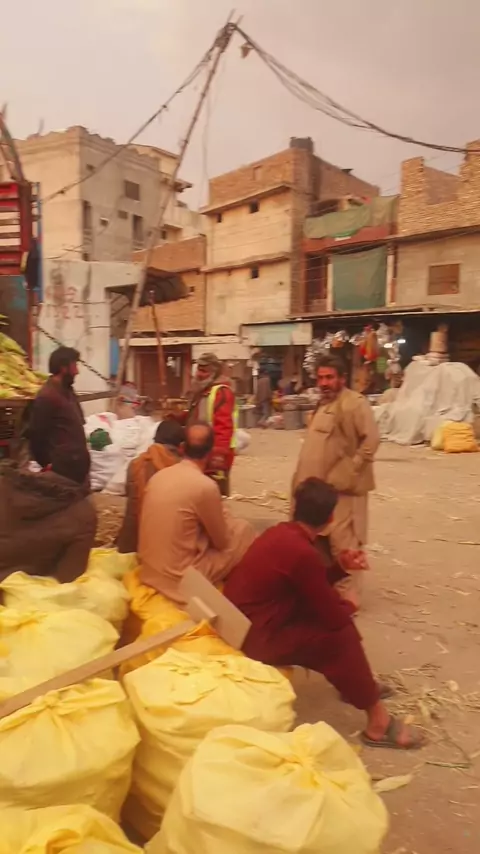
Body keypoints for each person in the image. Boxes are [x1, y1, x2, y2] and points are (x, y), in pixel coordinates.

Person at [224, 478, 423, 750]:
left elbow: (308, 584)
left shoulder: (280, 534)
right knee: (340, 634)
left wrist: (340, 567)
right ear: (330, 518)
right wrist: (350, 606)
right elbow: (332, 615)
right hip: (257, 637)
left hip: (251, 624)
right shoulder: (300, 550)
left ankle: (357, 686)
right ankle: (378, 723)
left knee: (331, 622)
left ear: (295, 507)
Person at [292, 354, 379, 610]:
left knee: (343, 544)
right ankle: (329, 595)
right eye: (320, 378)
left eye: (330, 377)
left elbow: (371, 440)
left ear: (342, 378)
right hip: (318, 494)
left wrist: (350, 471)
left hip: (343, 493)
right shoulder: (323, 404)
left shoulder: (354, 404)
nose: (324, 382)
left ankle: (348, 601)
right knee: (319, 545)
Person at [138, 422, 256, 604]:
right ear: (211, 452)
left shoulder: (158, 477)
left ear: (182, 448)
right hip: (179, 581)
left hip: (148, 572)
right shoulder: (205, 486)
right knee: (243, 530)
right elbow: (222, 542)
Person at [0, 450, 96, 584]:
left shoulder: (6, 483)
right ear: (87, 477)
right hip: (15, 588)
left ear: (49, 467)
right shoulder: (83, 514)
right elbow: (69, 576)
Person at [116, 419, 185, 554]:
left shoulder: (136, 464)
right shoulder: (183, 468)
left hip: (132, 542)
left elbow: (130, 495)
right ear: (181, 444)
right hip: (168, 546)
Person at [28, 346, 90, 482]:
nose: (77, 372)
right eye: (74, 366)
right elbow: (36, 436)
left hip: (78, 471)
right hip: (61, 473)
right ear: (63, 368)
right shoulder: (47, 397)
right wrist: (47, 464)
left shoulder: (69, 392)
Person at [187, 352, 237, 496]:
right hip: (199, 450)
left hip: (214, 453)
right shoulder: (201, 391)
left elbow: (224, 426)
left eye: (204, 371)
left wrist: (218, 455)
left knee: (214, 494)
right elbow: (195, 415)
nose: (199, 374)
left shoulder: (222, 392)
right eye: (198, 369)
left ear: (214, 373)